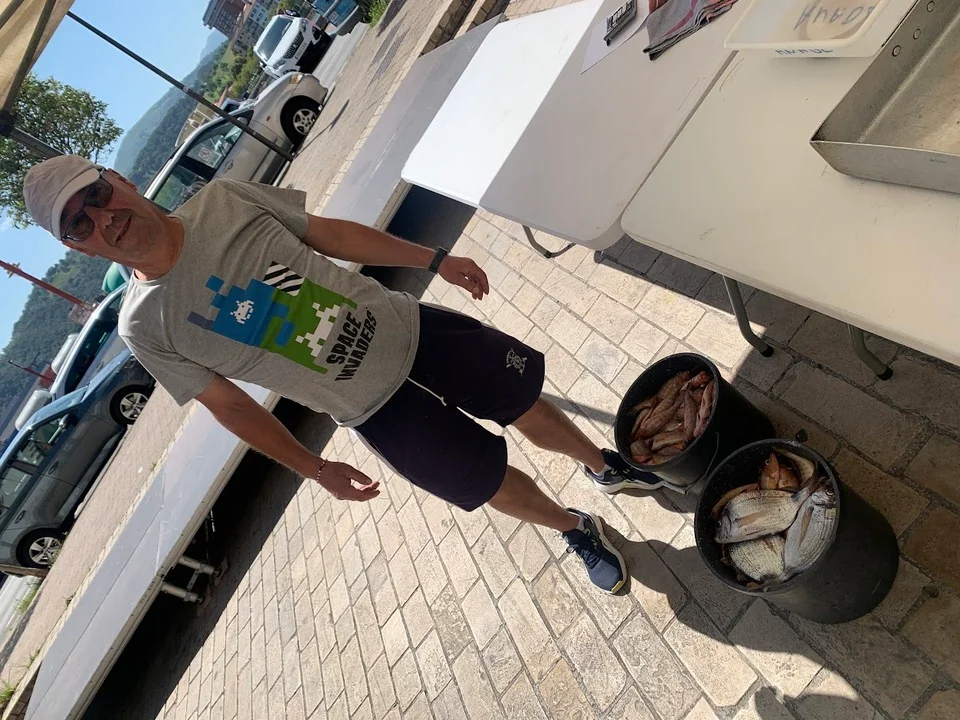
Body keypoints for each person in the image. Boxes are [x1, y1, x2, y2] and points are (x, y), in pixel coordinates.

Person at [22, 155, 662, 593]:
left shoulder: (223, 200)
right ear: (77, 246)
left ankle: (604, 467)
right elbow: (230, 406)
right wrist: (315, 468)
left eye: (97, 194)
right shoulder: (143, 326)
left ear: (119, 180)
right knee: (484, 482)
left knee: (522, 401)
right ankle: (576, 528)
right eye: (79, 222)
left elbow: (326, 234)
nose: (103, 217)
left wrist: (434, 258)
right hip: (370, 409)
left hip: (411, 329)